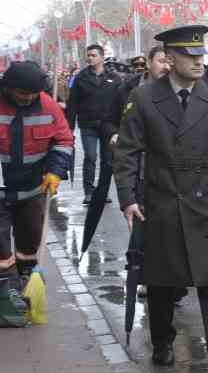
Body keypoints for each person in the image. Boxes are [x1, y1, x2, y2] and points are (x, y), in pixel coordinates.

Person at [112, 26, 208, 373]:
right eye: (191, 56)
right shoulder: (143, 97)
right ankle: (164, 342)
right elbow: (126, 153)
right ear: (169, 59)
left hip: (204, 202)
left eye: (202, 55)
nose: (200, 62)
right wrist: (127, 199)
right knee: (162, 282)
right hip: (161, 200)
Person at [0, 62, 72, 316]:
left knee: (29, 241)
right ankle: (7, 292)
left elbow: (63, 140)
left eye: (32, 93)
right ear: (9, 88)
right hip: (1, 188)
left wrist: (56, 171)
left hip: (33, 188)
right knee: (1, 247)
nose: (27, 98)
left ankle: (27, 283)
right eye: (22, 93)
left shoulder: (48, 106)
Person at [66, 43, 120, 191]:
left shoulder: (114, 78)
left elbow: (120, 102)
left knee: (107, 161)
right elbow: (72, 104)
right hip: (87, 124)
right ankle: (89, 191)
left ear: (102, 57)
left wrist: (120, 127)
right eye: (88, 55)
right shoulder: (81, 78)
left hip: (107, 125)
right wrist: (69, 128)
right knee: (90, 157)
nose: (90, 58)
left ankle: (103, 191)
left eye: (93, 55)